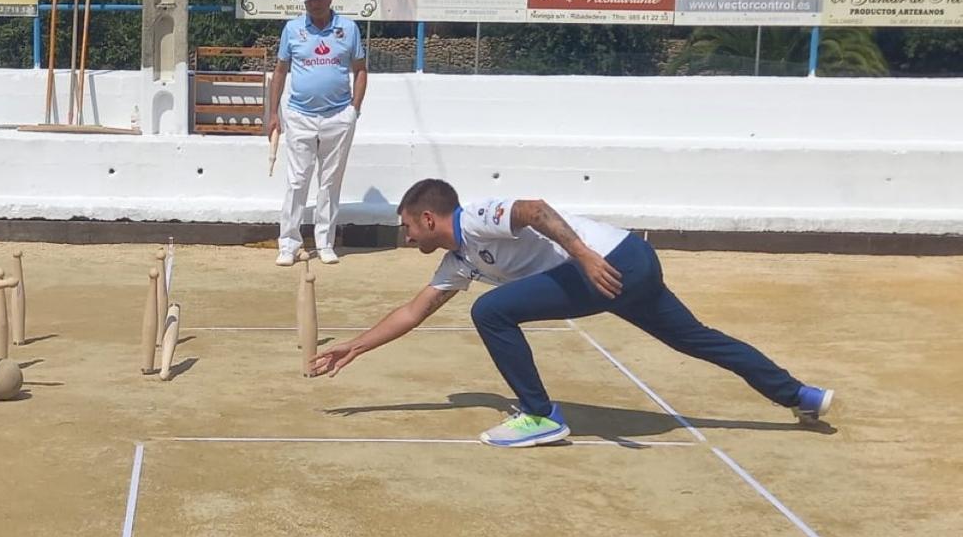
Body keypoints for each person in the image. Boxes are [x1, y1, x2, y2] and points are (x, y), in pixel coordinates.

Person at [311, 178, 835, 448]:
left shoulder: (475, 219)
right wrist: (352, 347)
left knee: (492, 311)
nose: (405, 236)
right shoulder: (458, 260)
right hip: (632, 262)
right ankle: (801, 395)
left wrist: (584, 255)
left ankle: (541, 416)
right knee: (697, 338)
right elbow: (413, 310)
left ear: (429, 218)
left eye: (408, 226)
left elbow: (534, 210)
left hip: (613, 262)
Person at [266, 0, 368, 266]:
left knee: (330, 182)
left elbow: (360, 70)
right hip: (299, 115)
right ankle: (288, 243)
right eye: (308, 0)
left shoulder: (348, 29)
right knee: (297, 181)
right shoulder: (292, 29)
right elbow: (280, 71)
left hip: (339, 115)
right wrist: (274, 113)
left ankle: (325, 243)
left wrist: (354, 110)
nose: (313, 5)